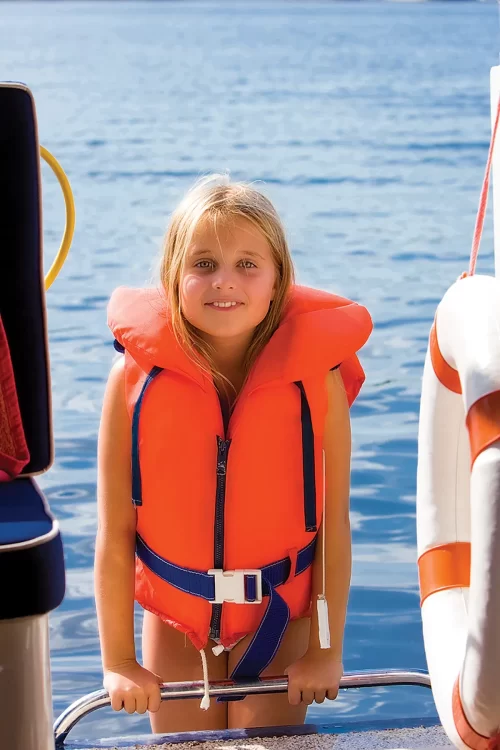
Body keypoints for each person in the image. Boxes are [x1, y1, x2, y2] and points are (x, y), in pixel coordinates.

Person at [95, 175, 372, 733]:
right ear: (174, 276)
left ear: (278, 281)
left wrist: (325, 649)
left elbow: (333, 528)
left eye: (248, 264)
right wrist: (119, 661)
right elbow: (114, 531)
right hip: (177, 618)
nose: (225, 282)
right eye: (203, 264)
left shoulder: (317, 385)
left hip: (278, 619)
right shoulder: (130, 383)